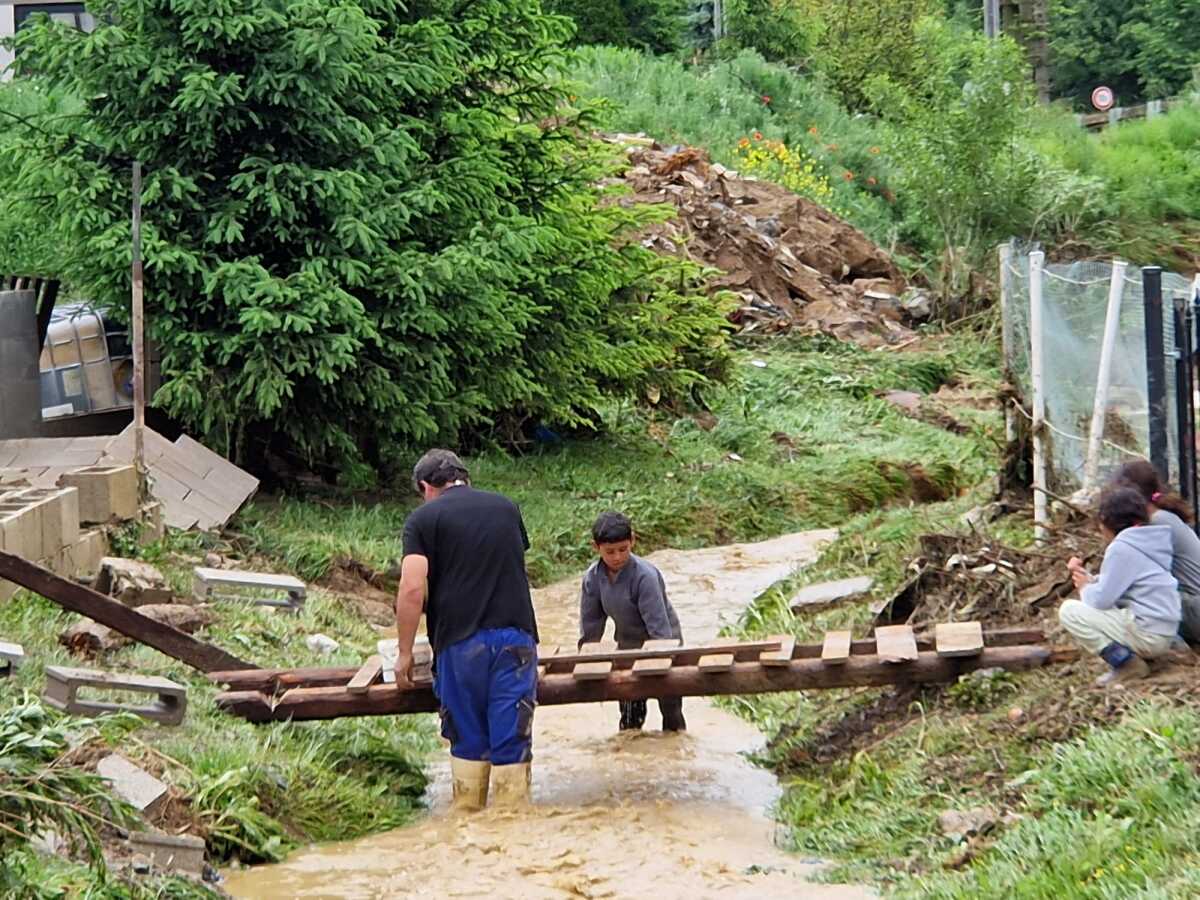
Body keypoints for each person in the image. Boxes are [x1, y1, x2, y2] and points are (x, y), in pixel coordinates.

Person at [395, 449, 539, 811]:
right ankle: (514, 823)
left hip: (460, 644)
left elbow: (412, 589)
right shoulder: (506, 507)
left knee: (469, 740)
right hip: (516, 638)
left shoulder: (422, 519)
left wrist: (404, 653)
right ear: (465, 478)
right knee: (512, 738)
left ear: (426, 487)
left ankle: (469, 820)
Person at [1060, 486, 1182, 687]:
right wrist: (1089, 580)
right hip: (1164, 632)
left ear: (1108, 522)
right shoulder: (1151, 541)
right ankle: (1141, 657)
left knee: (1069, 612)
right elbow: (1121, 584)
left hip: (1148, 635)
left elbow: (1100, 600)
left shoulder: (1122, 548)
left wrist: (1083, 587)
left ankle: (1127, 664)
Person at [579, 511, 686, 732]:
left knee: (671, 712)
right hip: (627, 648)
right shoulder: (592, 579)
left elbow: (659, 629)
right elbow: (591, 627)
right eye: (610, 552)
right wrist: (587, 659)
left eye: (623, 549)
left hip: (664, 642)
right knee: (629, 717)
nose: (617, 557)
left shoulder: (644, 576)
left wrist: (660, 662)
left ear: (633, 541)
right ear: (595, 547)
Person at [1111, 458, 1200, 645]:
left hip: (1195, 609)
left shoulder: (1156, 525)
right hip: (1193, 606)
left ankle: (1171, 643)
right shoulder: (1164, 517)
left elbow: (1137, 579)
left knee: (1125, 590)